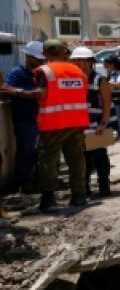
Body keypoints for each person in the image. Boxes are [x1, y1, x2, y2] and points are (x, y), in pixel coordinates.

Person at [28, 39, 89, 212]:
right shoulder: (77, 71)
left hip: (53, 123)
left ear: (44, 54)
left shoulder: (44, 71)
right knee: (76, 159)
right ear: (64, 52)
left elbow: (41, 94)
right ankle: (79, 196)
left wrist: (13, 91)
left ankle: (48, 199)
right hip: (76, 121)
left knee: (48, 160)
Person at [1, 41, 46, 193]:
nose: (41, 61)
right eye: (38, 58)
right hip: (25, 119)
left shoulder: (43, 72)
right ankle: (23, 180)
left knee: (42, 150)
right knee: (26, 149)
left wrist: (18, 91)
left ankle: (41, 179)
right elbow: (5, 89)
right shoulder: (17, 73)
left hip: (43, 118)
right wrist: (23, 92)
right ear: (28, 57)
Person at [70, 46, 113, 197]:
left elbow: (107, 103)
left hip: (95, 125)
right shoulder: (71, 78)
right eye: (75, 60)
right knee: (83, 159)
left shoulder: (99, 79)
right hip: (78, 125)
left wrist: (103, 122)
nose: (78, 63)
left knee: (100, 156)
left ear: (90, 62)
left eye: (82, 60)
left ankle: (104, 186)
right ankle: (84, 187)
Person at [103, 56, 120, 138]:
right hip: (113, 99)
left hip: (119, 99)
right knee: (116, 117)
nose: (105, 67)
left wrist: (107, 84)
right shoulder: (111, 74)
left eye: (106, 65)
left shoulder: (119, 73)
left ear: (112, 65)